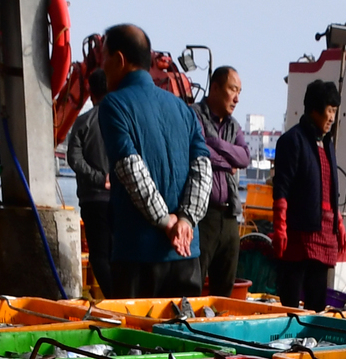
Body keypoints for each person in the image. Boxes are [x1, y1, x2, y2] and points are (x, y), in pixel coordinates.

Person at [95, 23, 211, 296]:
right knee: (182, 336)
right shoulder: (183, 109)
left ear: (120, 60)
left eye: (104, 56)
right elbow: (203, 169)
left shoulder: (113, 105)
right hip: (185, 255)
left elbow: (131, 170)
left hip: (138, 256)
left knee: (136, 338)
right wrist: (185, 220)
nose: (101, 65)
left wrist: (166, 221)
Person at [271, 79, 346, 310]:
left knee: (317, 299)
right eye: (329, 110)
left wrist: (339, 223)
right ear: (314, 109)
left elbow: (331, 189)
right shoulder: (291, 140)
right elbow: (281, 187)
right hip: (298, 231)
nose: (332, 117)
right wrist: (280, 226)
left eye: (335, 111)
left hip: (325, 232)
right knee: (290, 298)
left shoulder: (329, 144)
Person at [196, 65, 249, 294]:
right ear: (215, 88)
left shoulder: (233, 126)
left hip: (229, 216)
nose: (236, 98)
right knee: (194, 281)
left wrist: (216, 143)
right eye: (232, 90)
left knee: (224, 287)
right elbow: (198, 152)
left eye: (239, 92)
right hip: (202, 215)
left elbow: (245, 157)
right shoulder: (194, 115)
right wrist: (230, 162)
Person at [67, 68, 114, 295]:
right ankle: (125, 298)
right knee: (119, 253)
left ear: (90, 92)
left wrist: (98, 178)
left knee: (99, 255)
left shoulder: (83, 123)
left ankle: (115, 297)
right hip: (122, 201)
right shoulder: (123, 121)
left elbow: (73, 158)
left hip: (93, 199)